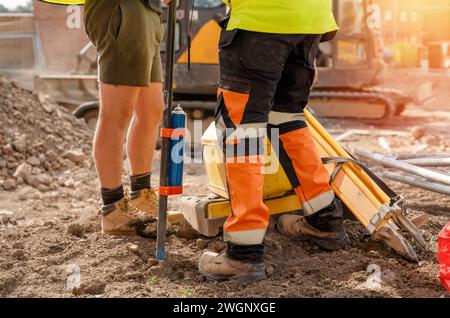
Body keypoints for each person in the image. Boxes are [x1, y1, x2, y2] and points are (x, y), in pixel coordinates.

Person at [198, 0, 350, 283]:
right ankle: (324, 219)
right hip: (310, 20)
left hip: (261, 18)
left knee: (242, 131)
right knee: (286, 117)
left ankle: (243, 252)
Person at [83, 0, 171, 234]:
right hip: (121, 7)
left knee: (151, 110)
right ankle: (112, 208)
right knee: (116, 113)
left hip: (148, 11)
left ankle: (140, 195)